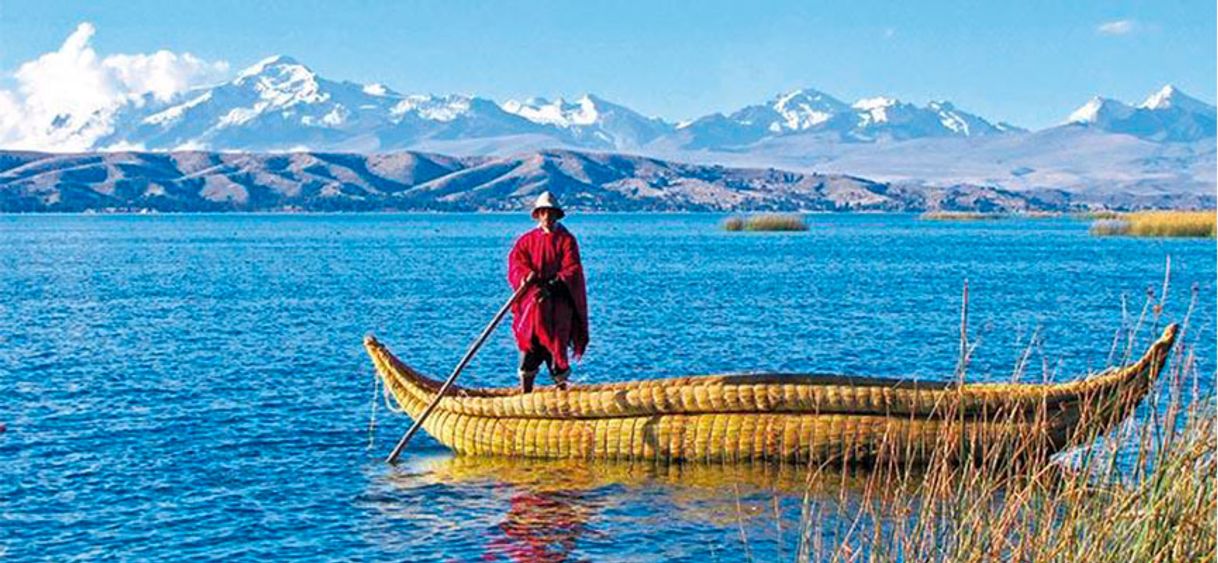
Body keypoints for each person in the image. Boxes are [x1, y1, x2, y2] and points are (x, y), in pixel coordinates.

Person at [507, 191, 589, 393]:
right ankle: (525, 396)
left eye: (550, 213)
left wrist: (551, 285)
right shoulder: (526, 240)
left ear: (556, 215)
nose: (547, 217)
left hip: (557, 307)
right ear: (538, 215)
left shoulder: (566, 240)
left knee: (556, 350)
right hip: (532, 306)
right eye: (543, 213)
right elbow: (515, 263)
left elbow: (573, 269)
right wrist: (525, 275)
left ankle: (562, 395)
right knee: (529, 349)